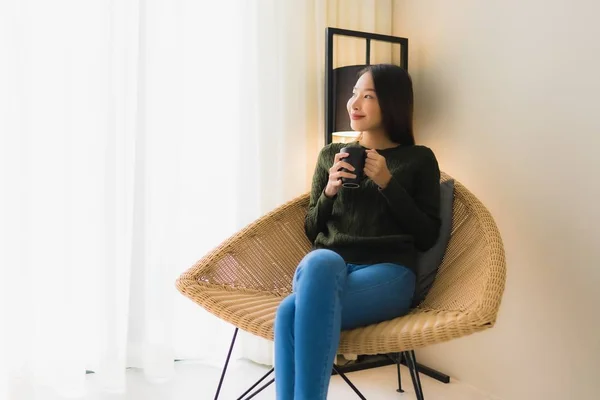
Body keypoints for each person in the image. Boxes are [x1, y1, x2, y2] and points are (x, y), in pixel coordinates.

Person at [273, 64, 441, 399]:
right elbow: (311, 229)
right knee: (321, 261)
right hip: (328, 272)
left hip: (388, 274)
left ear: (392, 103)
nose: (354, 102)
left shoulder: (419, 159)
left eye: (368, 96)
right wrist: (330, 191)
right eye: (354, 93)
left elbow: (427, 235)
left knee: (290, 311)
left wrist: (387, 184)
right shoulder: (330, 156)